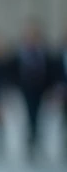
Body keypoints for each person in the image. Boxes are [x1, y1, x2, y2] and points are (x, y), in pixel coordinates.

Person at [11, 21, 56, 161]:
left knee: (39, 116)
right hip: (27, 89)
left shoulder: (43, 52)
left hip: (40, 89)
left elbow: (50, 71)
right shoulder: (21, 52)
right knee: (31, 115)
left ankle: (36, 138)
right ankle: (31, 139)